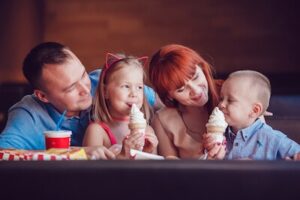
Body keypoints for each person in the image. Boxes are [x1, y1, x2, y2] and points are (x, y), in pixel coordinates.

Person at [0, 42, 158, 159]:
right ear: (43, 96)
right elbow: (3, 155)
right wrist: (75, 152)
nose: (85, 89)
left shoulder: (103, 82)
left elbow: (168, 102)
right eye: (70, 88)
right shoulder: (28, 114)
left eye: (83, 74)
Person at [148, 44, 226, 159]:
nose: (195, 91)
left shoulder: (231, 94)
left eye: (196, 77)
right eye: (181, 89)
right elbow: (170, 173)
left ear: (202, 67)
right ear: (169, 95)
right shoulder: (163, 121)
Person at [83, 53, 158, 158]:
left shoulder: (147, 130)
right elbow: (91, 171)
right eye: (126, 86)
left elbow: (154, 170)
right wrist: (123, 155)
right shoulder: (96, 131)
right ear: (105, 92)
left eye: (139, 87)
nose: (134, 93)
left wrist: (149, 152)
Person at [215, 70, 300, 160]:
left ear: (254, 110)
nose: (221, 104)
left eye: (230, 100)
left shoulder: (273, 138)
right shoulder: (219, 135)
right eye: (221, 99)